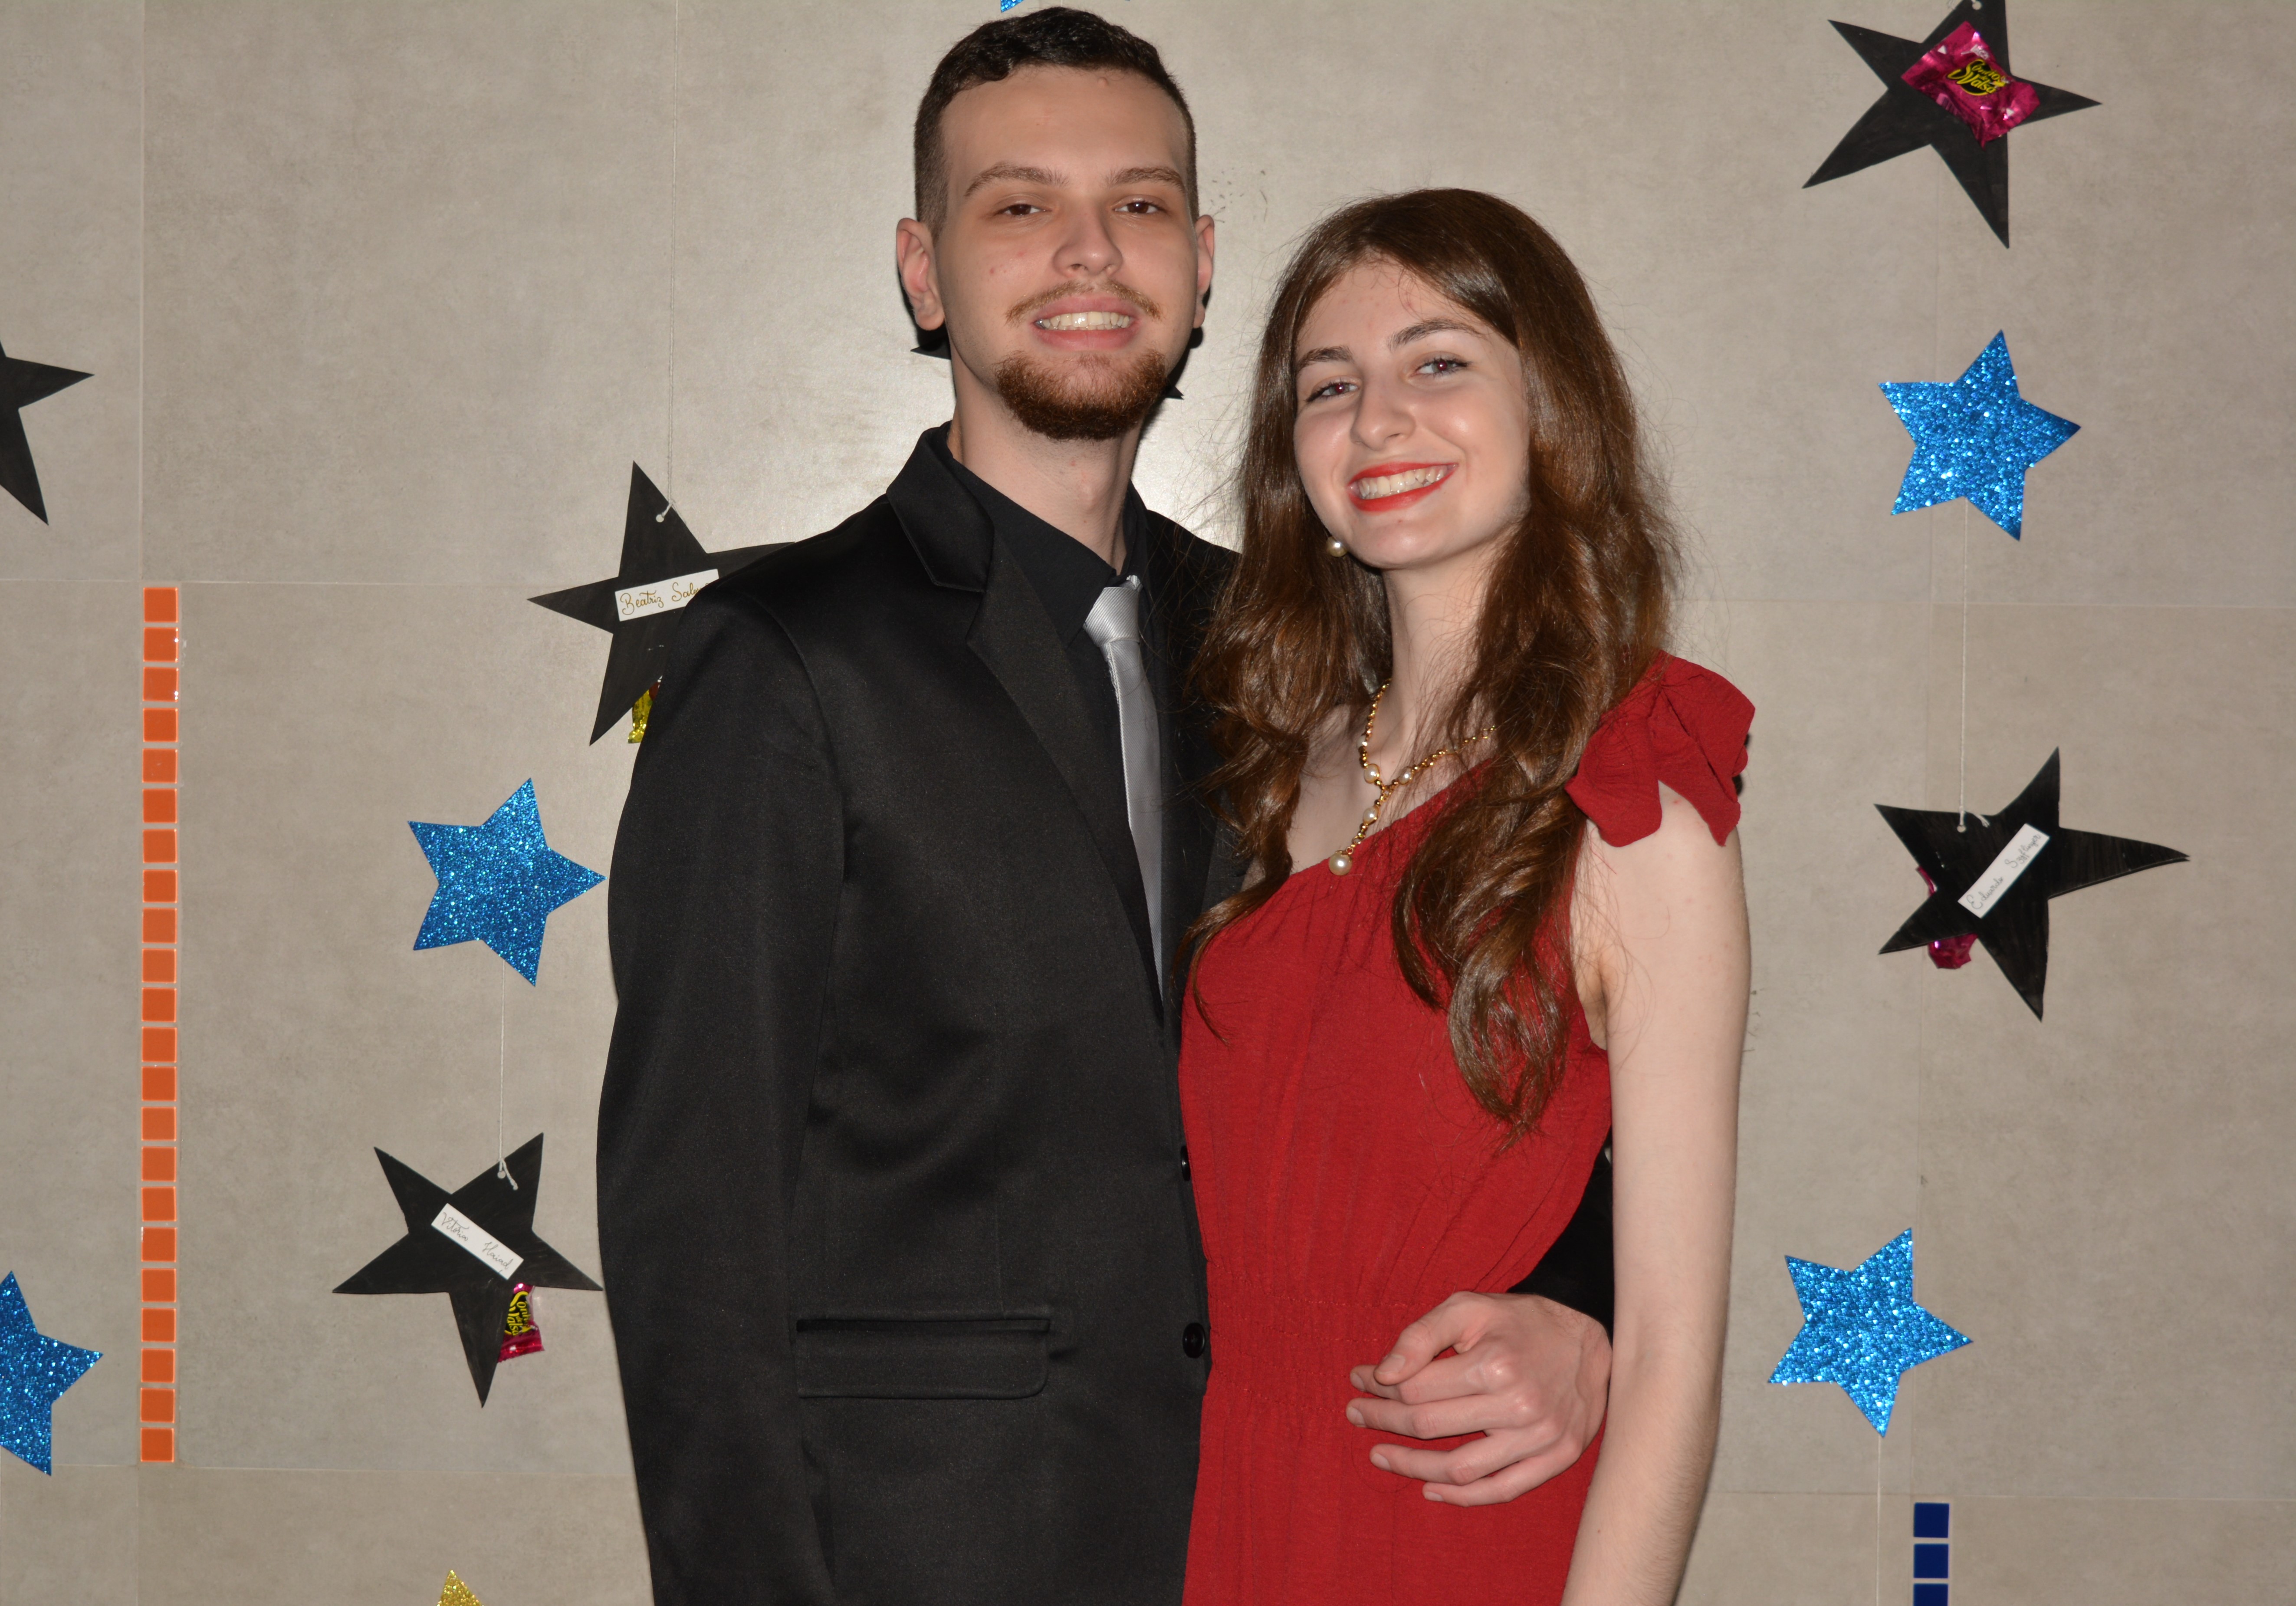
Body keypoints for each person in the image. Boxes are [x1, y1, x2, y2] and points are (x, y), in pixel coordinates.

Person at [597, 13, 1614, 1603]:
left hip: (1277, 1520)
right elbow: (693, 1232)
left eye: (1138, 204)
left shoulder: (1293, 649)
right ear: (924, 273)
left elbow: (1526, 994)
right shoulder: (782, 656)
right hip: (920, 1553)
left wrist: (1579, 1301)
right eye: (1018, 204)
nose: (1089, 250)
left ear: (1200, 267)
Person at [1177, 189, 1752, 1605]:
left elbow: (1668, 1354)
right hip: (1233, 1518)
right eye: (1328, 386)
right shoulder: (1260, 772)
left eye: (1436, 361)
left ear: (1548, 407)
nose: (1377, 421)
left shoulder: (1633, 803)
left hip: (1458, 1535)